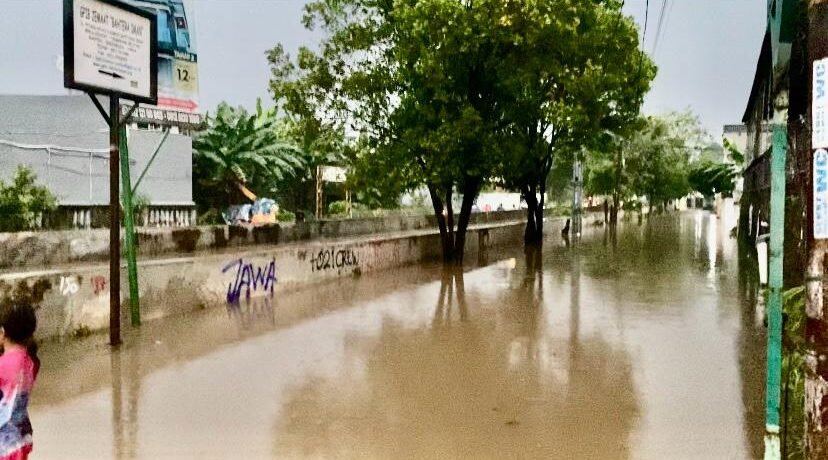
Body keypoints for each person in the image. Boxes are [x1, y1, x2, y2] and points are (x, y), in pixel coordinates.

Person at [0, 305, 39, 460]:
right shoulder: (30, 362)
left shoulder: (3, 365)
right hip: (20, 437)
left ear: (2, 333)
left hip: (4, 442)